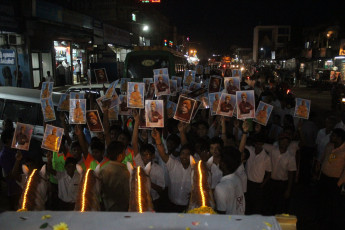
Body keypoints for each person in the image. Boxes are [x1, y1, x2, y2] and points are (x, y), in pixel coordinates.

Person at [153, 128, 192, 212]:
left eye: (187, 154)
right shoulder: (174, 165)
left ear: (192, 157)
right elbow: (162, 154)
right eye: (182, 154)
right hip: (171, 205)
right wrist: (158, 140)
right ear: (179, 155)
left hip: (187, 207)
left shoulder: (195, 170)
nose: (184, 156)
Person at [263, 133, 297, 215]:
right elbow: (260, 144)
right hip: (271, 182)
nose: (284, 143)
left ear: (289, 144)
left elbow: (291, 174)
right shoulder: (272, 149)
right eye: (283, 141)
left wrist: (288, 189)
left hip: (282, 184)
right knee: (269, 203)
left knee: (280, 205)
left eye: (286, 142)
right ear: (279, 142)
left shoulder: (290, 156)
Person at [318, 128, 345, 230]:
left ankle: (330, 224)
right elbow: (324, 158)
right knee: (322, 200)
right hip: (324, 177)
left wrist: (339, 183)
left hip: (335, 181)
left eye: (333, 135)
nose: (330, 137)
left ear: (339, 138)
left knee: (333, 204)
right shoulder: (329, 146)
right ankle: (321, 220)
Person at [99, 141, 130, 211]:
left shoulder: (103, 169)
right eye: (124, 153)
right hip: (122, 208)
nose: (125, 155)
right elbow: (127, 193)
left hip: (107, 206)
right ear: (120, 156)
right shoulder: (124, 172)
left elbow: (99, 190)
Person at [214, 146, 245, 214]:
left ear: (223, 164)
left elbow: (221, 215)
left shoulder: (220, 188)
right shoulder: (237, 179)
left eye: (220, 158)